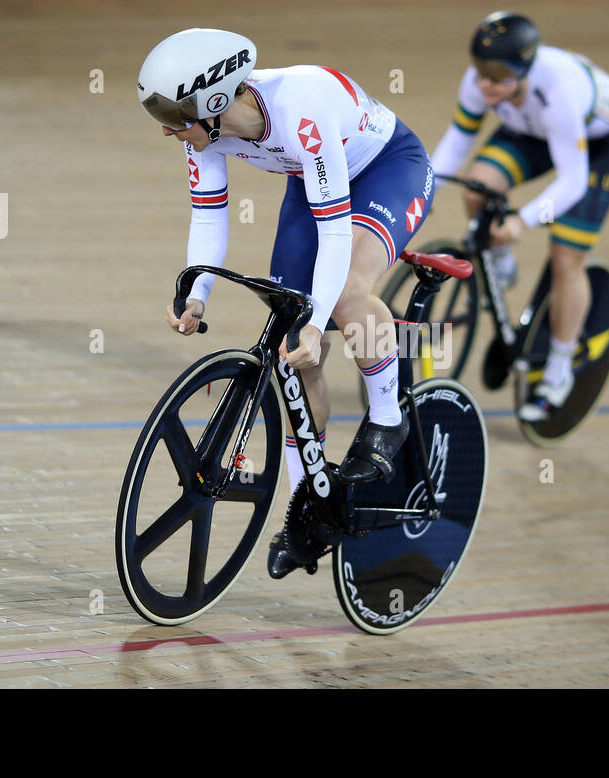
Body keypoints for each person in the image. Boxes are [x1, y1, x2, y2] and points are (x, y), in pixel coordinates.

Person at [139, 29, 433, 530]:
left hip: (388, 167)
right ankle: (308, 506)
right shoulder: (203, 131)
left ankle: (388, 418)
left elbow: (336, 234)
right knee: (291, 340)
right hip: (312, 175)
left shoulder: (303, 107)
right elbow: (208, 215)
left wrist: (322, 317)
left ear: (213, 100)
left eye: (172, 116)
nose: (167, 130)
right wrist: (198, 293)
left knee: (342, 297)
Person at [429, 11, 609, 421]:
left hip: (597, 147)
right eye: (481, 73)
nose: (485, 84)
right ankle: (500, 263)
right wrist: (425, 193)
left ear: (524, 71)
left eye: (498, 76)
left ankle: (559, 367)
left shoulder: (558, 93)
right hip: (531, 129)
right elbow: (457, 141)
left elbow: (573, 182)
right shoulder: (482, 86)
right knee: (476, 187)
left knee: (565, 258)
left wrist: (523, 220)